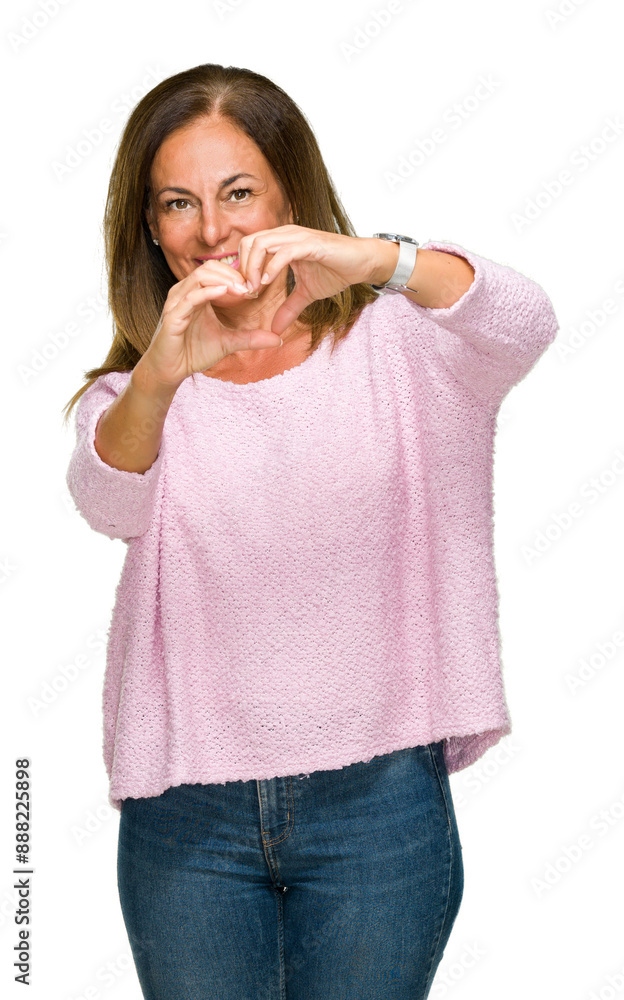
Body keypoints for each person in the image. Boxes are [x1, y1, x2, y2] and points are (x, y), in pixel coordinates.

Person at [63, 63, 559, 1000]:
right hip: (187, 819)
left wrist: (378, 259)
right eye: (177, 203)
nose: (211, 230)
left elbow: (527, 324)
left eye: (239, 192)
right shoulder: (134, 398)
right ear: (149, 229)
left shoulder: (408, 349)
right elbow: (107, 501)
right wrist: (164, 375)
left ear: (291, 192)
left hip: (378, 811)